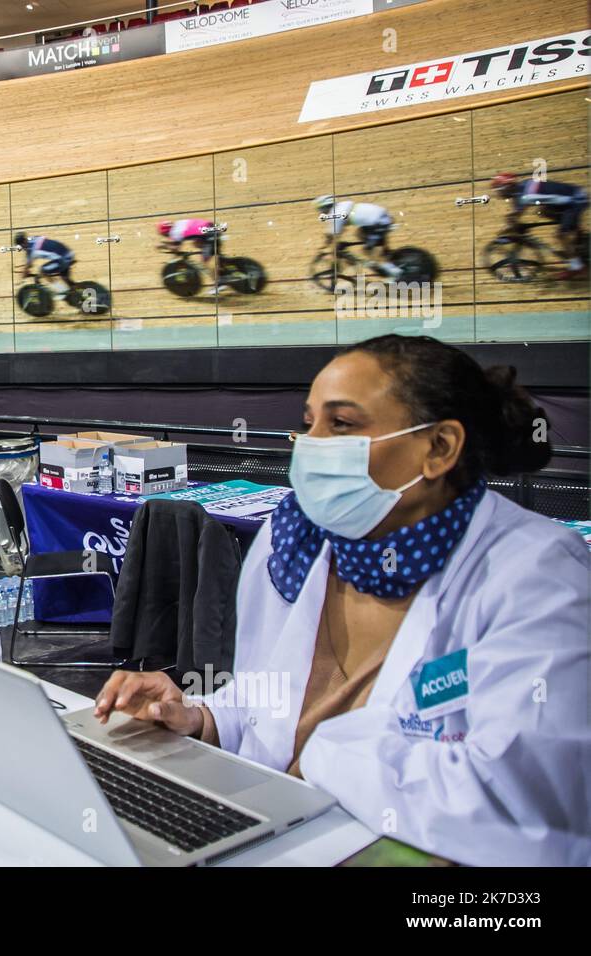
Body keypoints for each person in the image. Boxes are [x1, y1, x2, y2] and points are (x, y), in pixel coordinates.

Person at [94, 335, 589, 866]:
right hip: (281, 835)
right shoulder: (296, 547)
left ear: (440, 447)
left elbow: (520, 799)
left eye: (343, 425)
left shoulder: (533, 574)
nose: (311, 444)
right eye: (308, 424)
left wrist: (325, 754)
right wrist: (198, 717)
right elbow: (268, 702)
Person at [490, 172, 588, 279]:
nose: (499, 194)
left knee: (561, 235)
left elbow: (514, 216)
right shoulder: (521, 188)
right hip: (570, 198)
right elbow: (514, 213)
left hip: (575, 200)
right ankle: (577, 235)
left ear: (508, 186)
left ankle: (577, 268)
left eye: (499, 190)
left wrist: (504, 230)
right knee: (543, 211)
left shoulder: (526, 195)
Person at [313, 194, 400, 278]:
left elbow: (334, 236)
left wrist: (330, 250)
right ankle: (385, 256)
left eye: (320, 210)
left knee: (370, 252)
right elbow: (335, 232)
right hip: (379, 218)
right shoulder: (341, 206)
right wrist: (327, 243)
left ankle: (396, 274)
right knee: (360, 234)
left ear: (324, 208)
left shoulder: (336, 214)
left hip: (377, 222)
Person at [157, 219, 226, 294]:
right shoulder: (178, 223)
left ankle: (220, 283)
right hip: (213, 227)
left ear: (166, 233)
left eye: (164, 235)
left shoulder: (174, 233)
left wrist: (163, 246)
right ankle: (224, 266)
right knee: (196, 243)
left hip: (210, 234)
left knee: (204, 263)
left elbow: (175, 248)